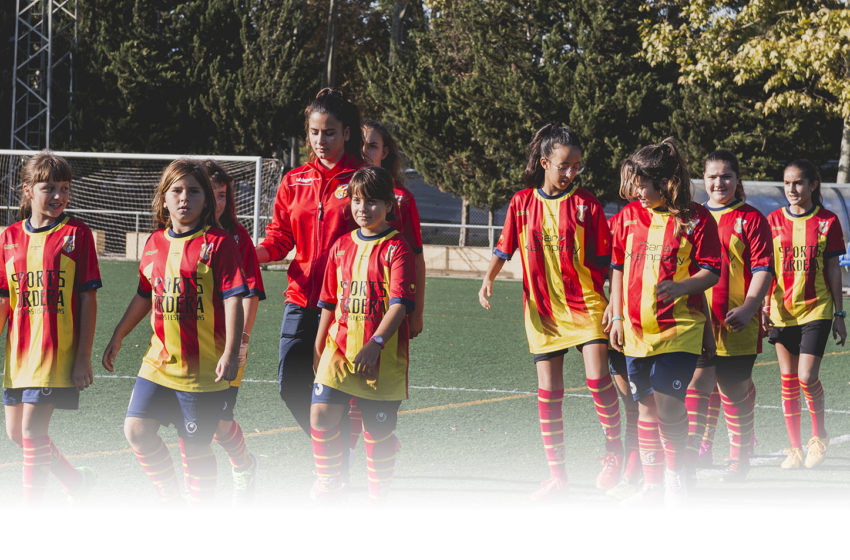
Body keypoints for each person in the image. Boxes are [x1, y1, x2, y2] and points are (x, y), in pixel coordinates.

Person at [478, 123, 623, 500]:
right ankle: (558, 476)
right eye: (564, 165)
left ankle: (614, 450)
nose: (571, 172)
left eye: (577, 165)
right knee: (549, 392)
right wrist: (488, 278)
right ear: (544, 162)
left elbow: (608, 260)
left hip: (586, 304)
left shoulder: (587, 204)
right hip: (542, 311)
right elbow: (504, 247)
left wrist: (617, 303)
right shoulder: (522, 203)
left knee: (597, 379)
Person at [102, 159, 246, 503]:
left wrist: (230, 353)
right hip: (159, 362)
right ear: (163, 199)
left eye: (194, 191)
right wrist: (119, 334)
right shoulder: (154, 242)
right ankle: (171, 500)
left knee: (196, 449)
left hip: (202, 369)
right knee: (136, 430)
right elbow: (144, 294)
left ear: (206, 200)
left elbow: (234, 298)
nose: (185, 198)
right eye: (177, 191)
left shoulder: (219, 243)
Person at [608, 138, 721, 506]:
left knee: (669, 405)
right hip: (636, 332)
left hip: (679, 330)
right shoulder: (628, 217)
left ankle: (675, 477)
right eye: (635, 184)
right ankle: (652, 486)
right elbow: (618, 268)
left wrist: (682, 288)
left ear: (668, 183)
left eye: (644, 185)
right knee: (645, 407)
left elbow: (712, 271)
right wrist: (617, 315)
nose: (638, 192)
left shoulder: (696, 219)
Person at [255, 88, 363, 435]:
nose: (321, 140)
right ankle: (332, 446)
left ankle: (337, 455)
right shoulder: (294, 180)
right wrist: (254, 254)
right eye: (314, 132)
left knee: (340, 389)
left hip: (346, 304)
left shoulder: (362, 179)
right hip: (300, 299)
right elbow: (279, 237)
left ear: (346, 133)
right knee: (291, 385)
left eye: (329, 132)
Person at [309, 166, 416, 503]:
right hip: (338, 350)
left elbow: (400, 305)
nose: (362, 208)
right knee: (320, 415)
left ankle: (378, 498)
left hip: (382, 357)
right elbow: (329, 301)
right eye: (356, 200)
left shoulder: (397, 247)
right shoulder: (341, 246)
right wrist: (318, 344)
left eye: (371, 201)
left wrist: (376, 343)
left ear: (388, 205)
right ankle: (329, 484)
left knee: (377, 432)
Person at [1, 151, 101, 504]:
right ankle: (77, 483)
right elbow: (5, 299)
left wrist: (83, 357)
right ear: (28, 190)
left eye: (64, 188)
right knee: (17, 434)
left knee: (31, 432)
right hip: (18, 357)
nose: (59, 195)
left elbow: (88, 298)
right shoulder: (9, 237)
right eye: (49, 188)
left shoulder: (76, 234)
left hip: (56, 354)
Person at [686, 150, 772, 483]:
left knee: (733, 391)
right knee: (697, 386)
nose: (719, 182)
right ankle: (693, 452)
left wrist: (750, 307)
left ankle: (739, 456)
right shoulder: (692, 217)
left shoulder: (751, 219)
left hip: (736, 323)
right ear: (703, 179)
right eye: (712, 176)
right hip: (697, 320)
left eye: (726, 176)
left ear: (737, 179)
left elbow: (763, 268)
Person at [345, 120, 426, 452]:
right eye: (361, 144)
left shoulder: (402, 199)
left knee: (373, 388)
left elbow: (416, 257)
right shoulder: (345, 190)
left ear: (386, 151)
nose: (365, 151)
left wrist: (417, 312)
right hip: (348, 308)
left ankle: (380, 446)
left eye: (373, 145)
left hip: (386, 309)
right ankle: (348, 463)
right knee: (344, 393)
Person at [764, 159, 846, 469]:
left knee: (806, 376)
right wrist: (763, 307)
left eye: (798, 182)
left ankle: (819, 436)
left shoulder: (827, 221)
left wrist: (839, 314)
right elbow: (766, 269)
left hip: (817, 308)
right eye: (787, 183)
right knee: (788, 380)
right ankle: (794, 449)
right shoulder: (772, 221)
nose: (792, 189)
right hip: (781, 311)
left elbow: (833, 269)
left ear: (813, 184)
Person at [203, 160, 266, 503]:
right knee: (193, 420)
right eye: (210, 194)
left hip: (226, 343)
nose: (217, 202)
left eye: (222, 195)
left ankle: (244, 464)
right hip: (190, 343)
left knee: (217, 420)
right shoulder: (182, 232)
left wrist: (240, 341)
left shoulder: (237, 237)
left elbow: (250, 293)